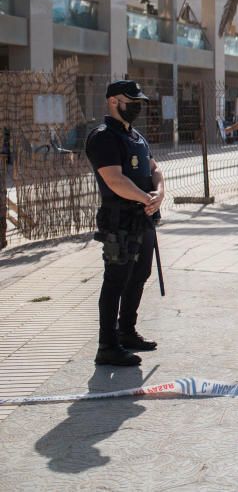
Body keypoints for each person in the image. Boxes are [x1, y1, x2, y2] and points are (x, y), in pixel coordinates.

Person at [85, 80, 165, 366]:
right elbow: (114, 179)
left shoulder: (136, 136)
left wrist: (158, 193)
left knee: (140, 275)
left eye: (138, 102)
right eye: (130, 101)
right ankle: (107, 345)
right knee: (115, 281)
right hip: (119, 221)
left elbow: (155, 168)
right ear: (112, 101)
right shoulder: (104, 137)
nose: (136, 106)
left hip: (142, 218)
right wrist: (147, 198)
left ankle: (126, 331)